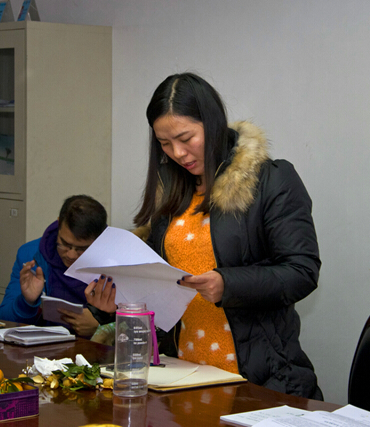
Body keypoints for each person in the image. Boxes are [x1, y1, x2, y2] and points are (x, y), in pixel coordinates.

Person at [86, 72, 323, 400]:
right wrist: (116, 301)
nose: (178, 153)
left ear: (211, 123)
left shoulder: (271, 180)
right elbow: (158, 283)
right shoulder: (172, 191)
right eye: (165, 144)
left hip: (257, 380)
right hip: (182, 377)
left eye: (186, 138)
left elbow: (302, 271)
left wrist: (228, 284)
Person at [0, 195, 113, 337]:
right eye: (64, 244)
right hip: (44, 351)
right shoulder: (31, 255)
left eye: (81, 249)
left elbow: (139, 323)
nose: (70, 255)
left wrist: (101, 326)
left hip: (97, 354)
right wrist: (27, 301)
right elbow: (4, 320)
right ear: (58, 224)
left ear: (100, 240)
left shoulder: (117, 262)